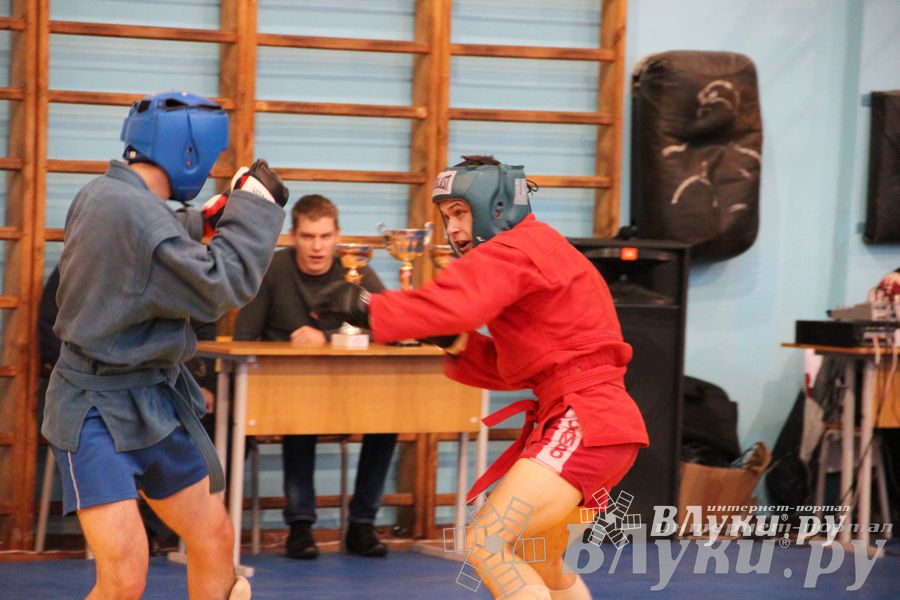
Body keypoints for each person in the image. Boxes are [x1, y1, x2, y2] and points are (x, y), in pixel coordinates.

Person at [315, 156, 650, 600]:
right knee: (540, 562)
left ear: (494, 207)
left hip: (584, 418)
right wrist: (452, 341)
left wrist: (371, 308)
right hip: (593, 419)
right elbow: (520, 362)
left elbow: (461, 305)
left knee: (487, 541)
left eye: (460, 212)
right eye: (446, 217)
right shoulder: (539, 249)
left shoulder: (516, 249)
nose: (452, 229)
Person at [41, 90, 288, 600]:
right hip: (94, 410)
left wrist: (208, 219)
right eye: (211, 157)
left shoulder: (105, 194)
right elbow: (222, 285)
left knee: (213, 536)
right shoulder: (137, 215)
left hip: (151, 400)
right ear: (191, 154)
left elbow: (154, 236)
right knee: (125, 574)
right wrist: (255, 210)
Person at [234, 194, 396, 559]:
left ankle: (362, 524)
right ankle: (301, 526)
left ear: (337, 235)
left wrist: (325, 337)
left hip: (350, 391)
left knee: (389, 420)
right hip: (284, 392)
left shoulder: (358, 269)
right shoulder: (272, 269)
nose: (317, 246)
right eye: (308, 236)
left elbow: (391, 328)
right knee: (300, 414)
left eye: (324, 236)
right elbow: (243, 338)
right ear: (293, 236)